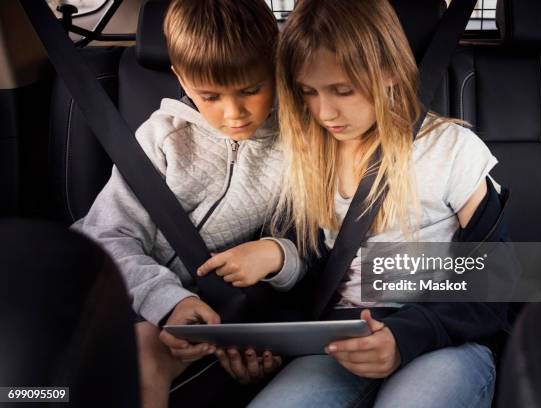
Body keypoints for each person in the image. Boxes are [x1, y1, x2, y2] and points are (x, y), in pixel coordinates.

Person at [246, 0, 510, 406]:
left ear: (389, 72)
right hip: (341, 339)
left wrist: (406, 336)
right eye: (308, 92)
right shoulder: (306, 158)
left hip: (444, 337)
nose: (324, 111)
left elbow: (497, 281)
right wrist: (264, 334)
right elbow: (308, 275)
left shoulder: (450, 151)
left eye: (343, 90)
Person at [73, 0, 306, 407]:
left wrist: (279, 257)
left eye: (251, 90)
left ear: (277, 69)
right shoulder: (164, 138)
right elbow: (107, 235)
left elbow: (314, 246)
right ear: (181, 77)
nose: (233, 113)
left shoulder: (300, 145)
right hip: (116, 288)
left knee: (144, 354)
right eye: (209, 96)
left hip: (216, 314)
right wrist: (170, 302)